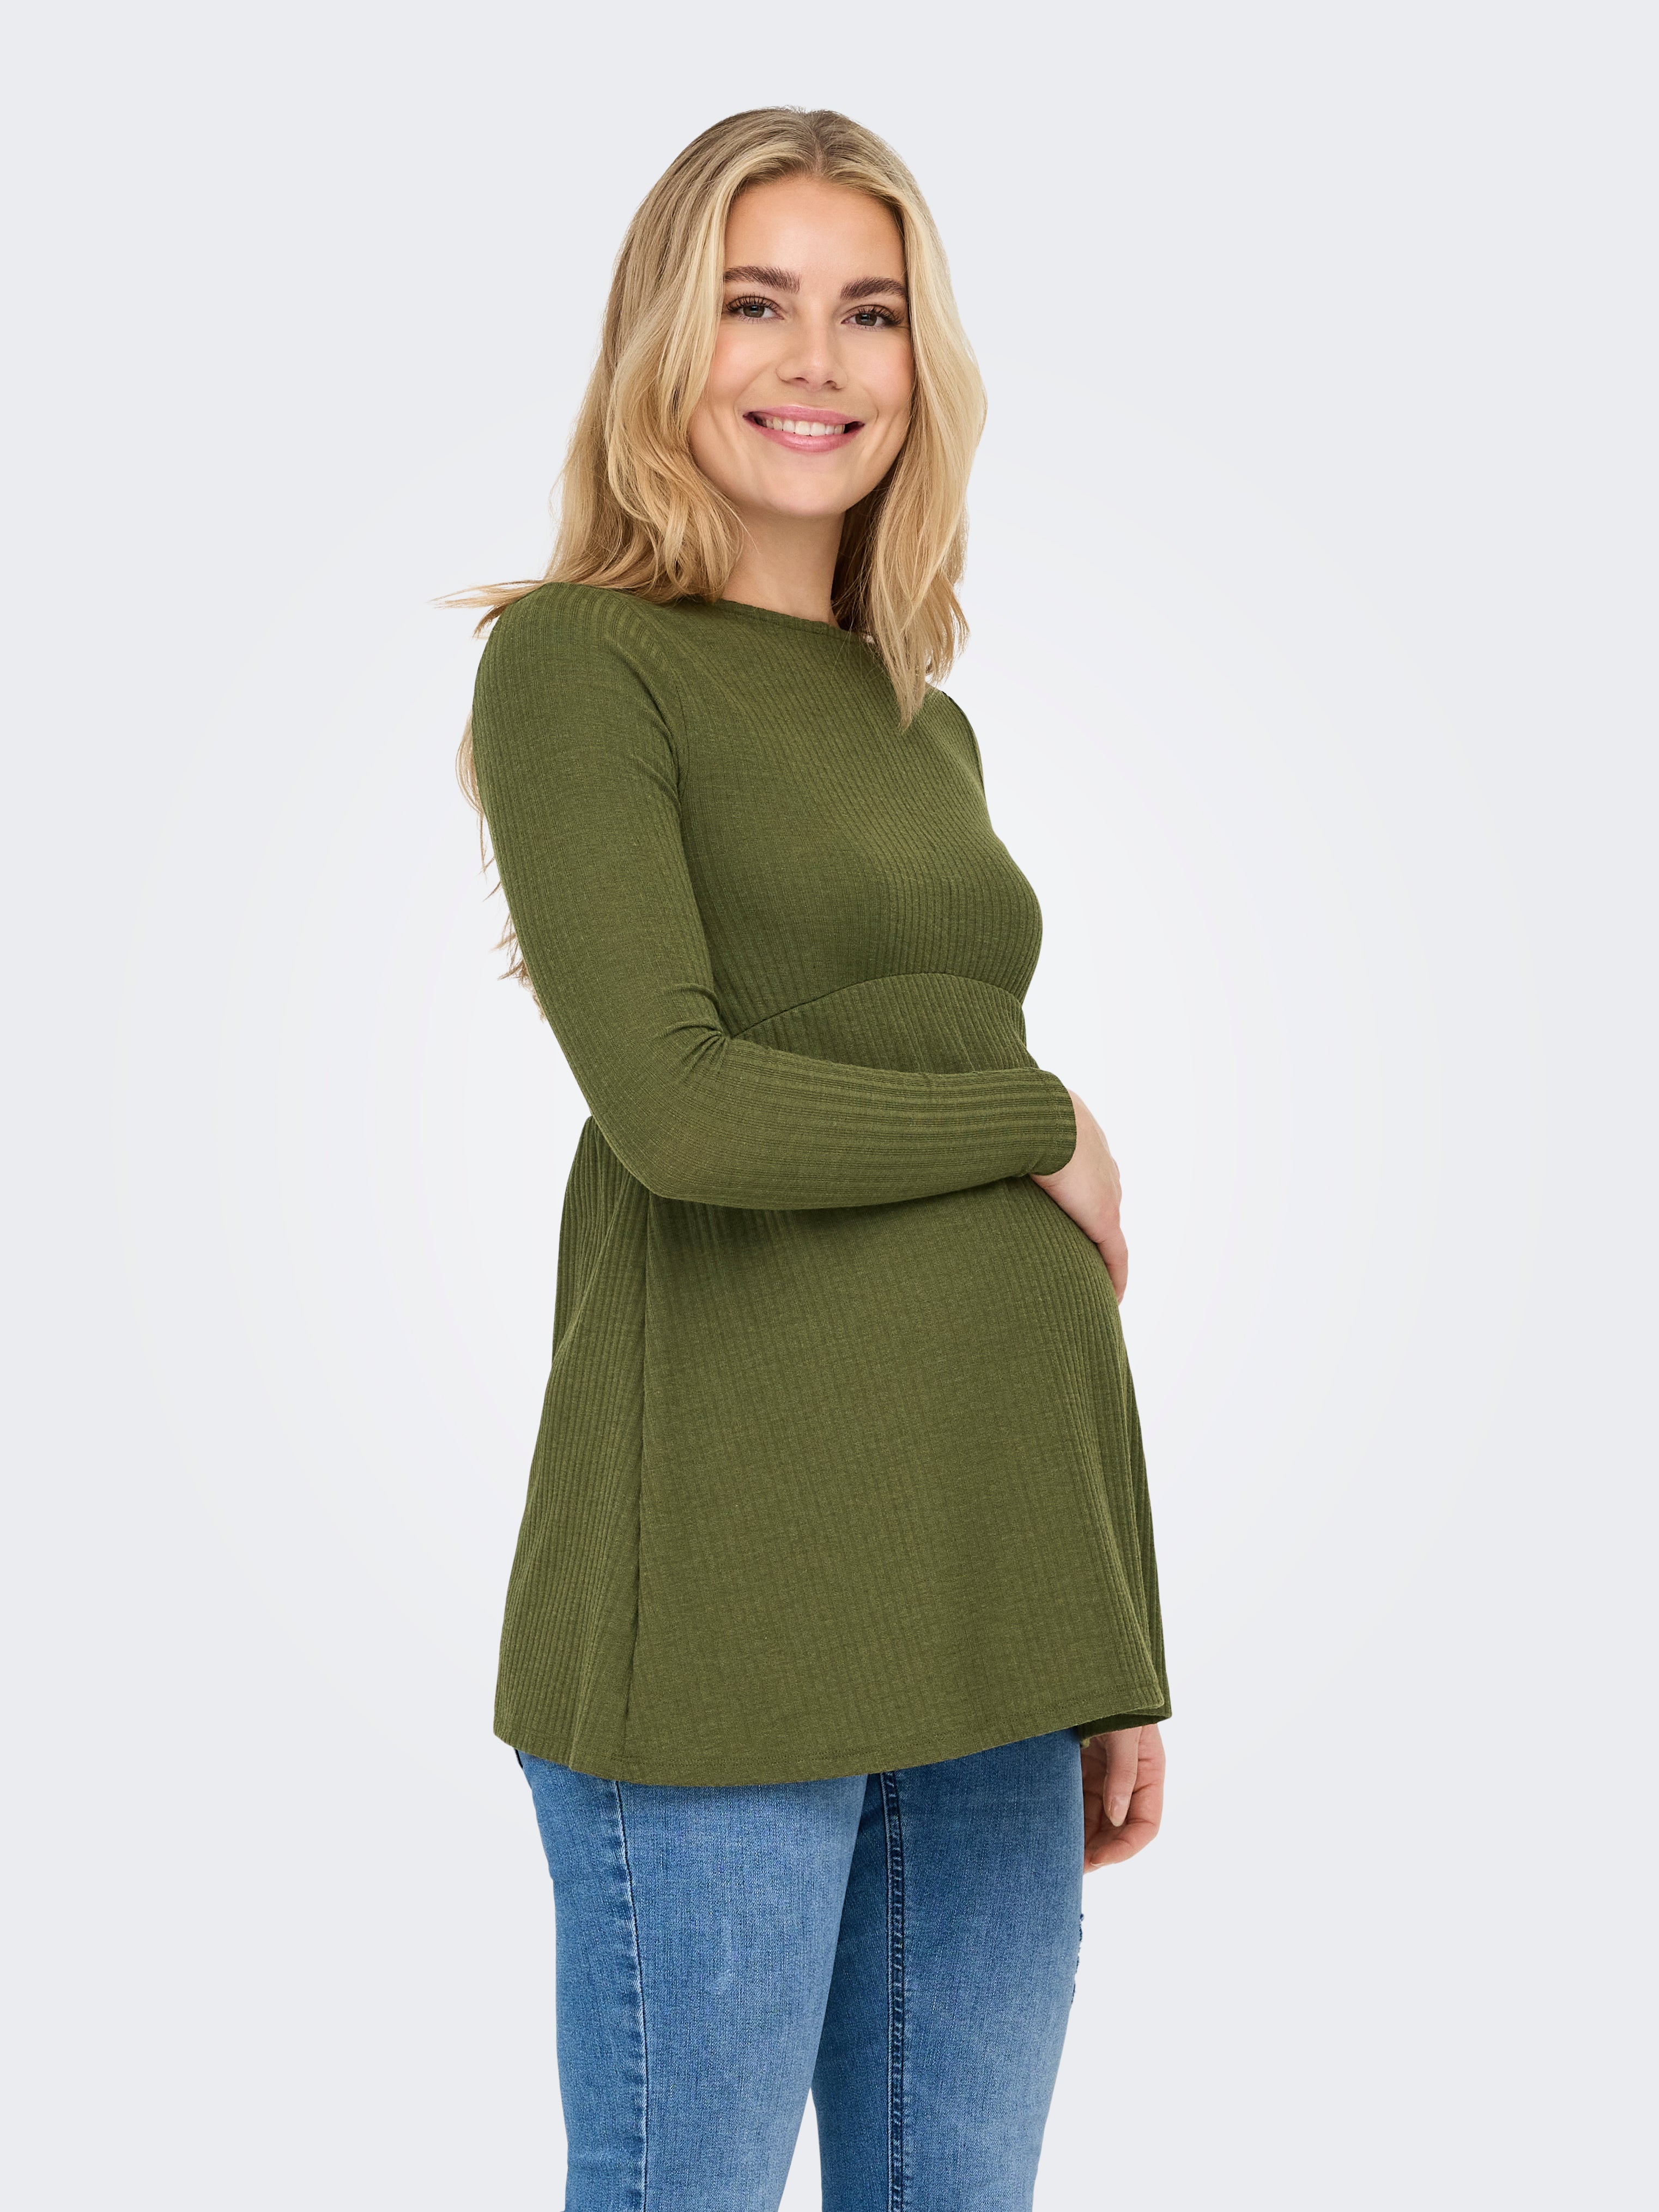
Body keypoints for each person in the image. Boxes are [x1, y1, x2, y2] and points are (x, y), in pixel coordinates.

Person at [457, 106, 1170, 2212]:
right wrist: (1042, 1116)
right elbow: (679, 1109)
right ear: (661, 342)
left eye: (869, 312)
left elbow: (1004, 1257)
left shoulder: (916, 715)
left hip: (995, 1619)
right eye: (754, 302)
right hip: (724, 1626)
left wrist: (1109, 1637)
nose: (816, 361)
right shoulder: (579, 663)